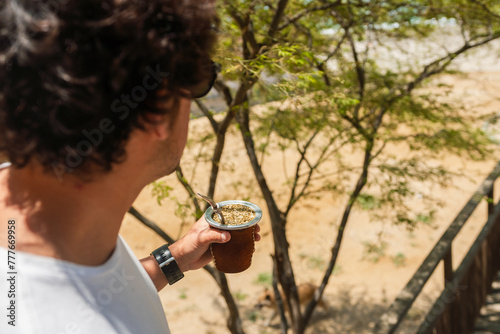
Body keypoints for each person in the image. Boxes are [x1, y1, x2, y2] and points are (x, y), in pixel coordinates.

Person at [0, 0, 260, 333]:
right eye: (198, 79)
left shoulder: (48, 213)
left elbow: (91, 298)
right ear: (158, 104)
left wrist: (174, 259)